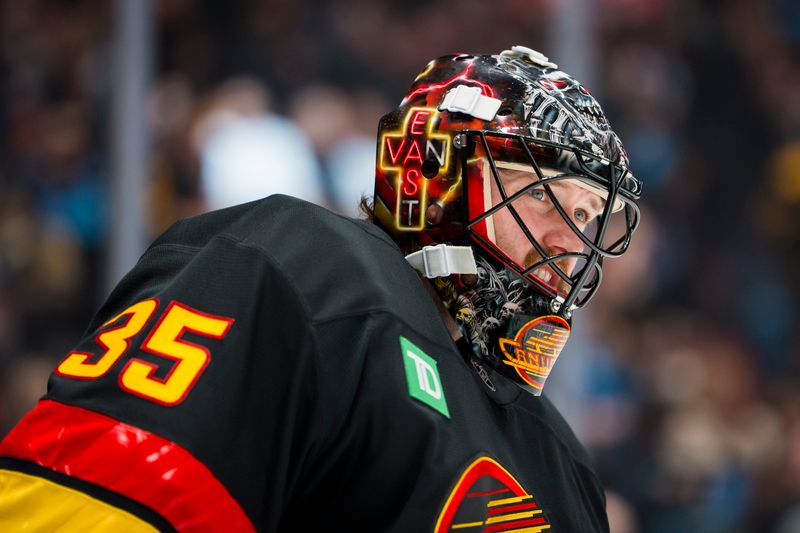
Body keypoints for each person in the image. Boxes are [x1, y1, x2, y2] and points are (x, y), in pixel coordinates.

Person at [0, 45, 641, 532]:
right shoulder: (298, 270)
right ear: (434, 174)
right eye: (547, 199)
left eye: (589, 217)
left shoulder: (564, 464)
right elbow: (86, 506)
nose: (570, 241)